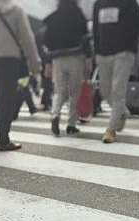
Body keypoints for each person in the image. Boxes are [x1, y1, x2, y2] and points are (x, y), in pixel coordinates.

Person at [0, 0, 41, 152]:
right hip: (10, 58)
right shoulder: (16, 9)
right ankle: (4, 140)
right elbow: (27, 37)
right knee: (7, 98)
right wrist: (34, 62)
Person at [92, 0, 139, 143]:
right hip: (103, 53)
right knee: (105, 90)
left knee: (117, 90)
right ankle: (123, 112)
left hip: (125, 51)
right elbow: (96, 30)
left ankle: (111, 129)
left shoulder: (129, 3)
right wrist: (96, 53)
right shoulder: (98, 4)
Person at [43, 0, 92, 136]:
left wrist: (48, 61)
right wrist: (88, 58)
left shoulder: (54, 17)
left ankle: (55, 115)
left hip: (58, 58)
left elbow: (47, 41)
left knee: (59, 91)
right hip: (76, 57)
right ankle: (71, 124)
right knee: (75, 92)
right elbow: (86, 38)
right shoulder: (78, 15)